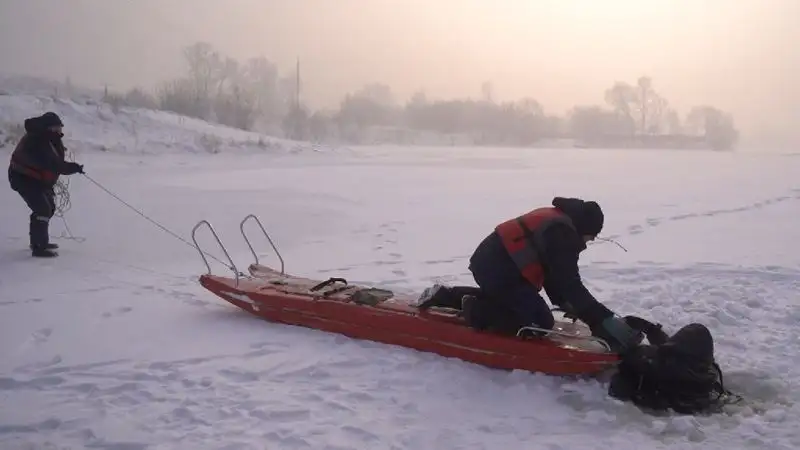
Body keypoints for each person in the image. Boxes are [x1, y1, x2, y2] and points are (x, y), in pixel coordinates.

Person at [419, 197, 643, 353]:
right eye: (592, 235)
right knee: (538, 322)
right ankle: (476, 309)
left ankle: (446, 295)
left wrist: (569, 305)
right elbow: (569, 282)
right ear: (584, 227)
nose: (591, 240)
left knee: (514, 302)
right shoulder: (562, 234)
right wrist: (601, 318)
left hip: (494, 263)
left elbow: (554, 276)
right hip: (499, 268)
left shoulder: (559, 222)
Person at [609, 317, 740, 414]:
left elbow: (619, 387)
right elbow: (671, 347)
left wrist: (627, 361)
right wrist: (651, 329)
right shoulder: (706, 372)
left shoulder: (659, 368)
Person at [7, 112, 84, 257]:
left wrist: (72, 167)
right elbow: (53, 164)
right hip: (23, 178)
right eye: (56, 128)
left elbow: (55, 162)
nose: (59, 131)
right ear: (48, 128)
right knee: (42, 209)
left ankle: (38, 240)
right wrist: (73, 167)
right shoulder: (37, 140)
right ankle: (39, 247)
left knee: (49, 207)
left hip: (37, 179)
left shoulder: (50, 139)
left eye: (60, 128)